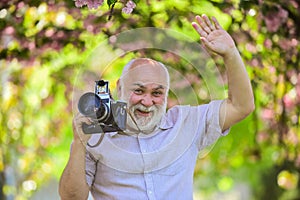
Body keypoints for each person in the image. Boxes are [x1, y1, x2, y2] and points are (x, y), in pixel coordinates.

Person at [59, 14, 254, 200]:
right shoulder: (96, 137)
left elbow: (241, 106)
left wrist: (231, 53)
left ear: (167, 94)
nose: (147, 101)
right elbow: (72, 197)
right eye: (139, 91)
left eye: (157, 93)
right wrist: (78, 144)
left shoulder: (186, 123)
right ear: (120, 88)